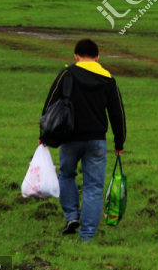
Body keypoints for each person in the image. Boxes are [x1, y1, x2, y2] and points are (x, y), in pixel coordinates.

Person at [39, 38, 126, 242]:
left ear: (76, 56)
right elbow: (117, 113)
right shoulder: (108, 79)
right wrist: (119, 142)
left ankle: (71, 216)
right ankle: (87, 235)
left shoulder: (67, 74)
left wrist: (43, 136)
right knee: (93, 187)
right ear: (97, 58)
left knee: (67, 175)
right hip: (97, 141)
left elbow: (50, 104)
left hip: (69, 139)